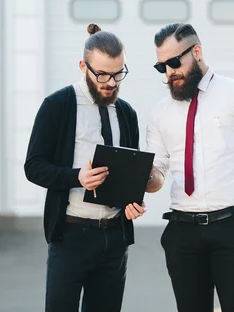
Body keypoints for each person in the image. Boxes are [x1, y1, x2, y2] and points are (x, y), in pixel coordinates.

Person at [144, 23, 234, 312]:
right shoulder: (160, 112)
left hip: (231, 229)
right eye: (161, 66)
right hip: (182, 231)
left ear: (197, 52)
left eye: (175, 62)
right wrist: (138, 177)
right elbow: (158, 173)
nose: (170, 71)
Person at [24, 23, 160, 312]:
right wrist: (78, 178)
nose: (111, 82)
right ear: (83, 66)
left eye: (118, 74)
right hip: (71, 236)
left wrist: (133, 203)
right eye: (102, 74)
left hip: (114, 239)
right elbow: (33, 167)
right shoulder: (57, 105)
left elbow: (128, 173)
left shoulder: (126, 113)